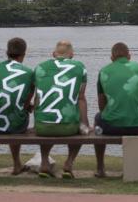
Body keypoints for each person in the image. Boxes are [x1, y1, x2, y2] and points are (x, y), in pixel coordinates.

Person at [94, 42, 138, 178]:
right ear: (129, 56)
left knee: (97, 119)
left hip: (111, 126)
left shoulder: (104, 71)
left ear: (112, 57)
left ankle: (100, 167)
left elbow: (101, 106)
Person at [34, 40, 89, 178]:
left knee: (47, 121)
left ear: (53, 54)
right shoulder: (79, 67)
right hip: (68, 127)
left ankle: (45, 162)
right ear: (72, 55)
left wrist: (36, 122)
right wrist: (85, 124)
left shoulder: (40, 68)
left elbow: (37, 99)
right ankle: (69, 163)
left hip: (42, 127)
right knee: (79, 129)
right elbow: (81, 98)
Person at [0, 37, 34, 175]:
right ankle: (17, 164)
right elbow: (26, 103)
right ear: (24, 53)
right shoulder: (28, 72)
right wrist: (29, 107)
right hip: (14, 125)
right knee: (18, 115)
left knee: (11, 110)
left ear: (7, 52)